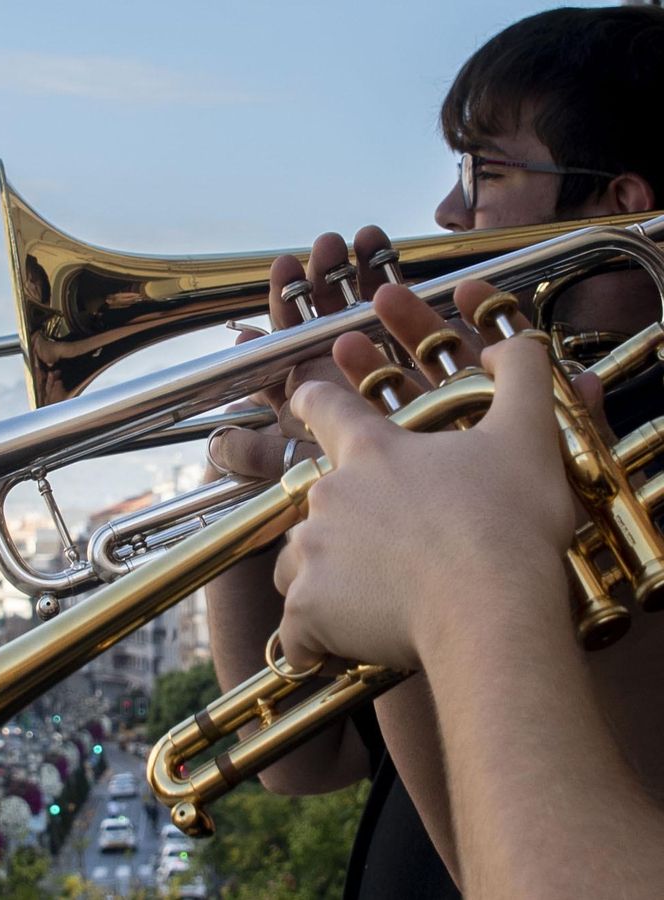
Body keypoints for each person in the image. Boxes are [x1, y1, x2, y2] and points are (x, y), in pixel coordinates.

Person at [200, 6, 664, 897]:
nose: (450, 211)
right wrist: (248, 468)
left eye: (487, 170)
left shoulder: (631, 447)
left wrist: (413, 485)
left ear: (623, 204)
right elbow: (296, 761)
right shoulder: (493, 426)